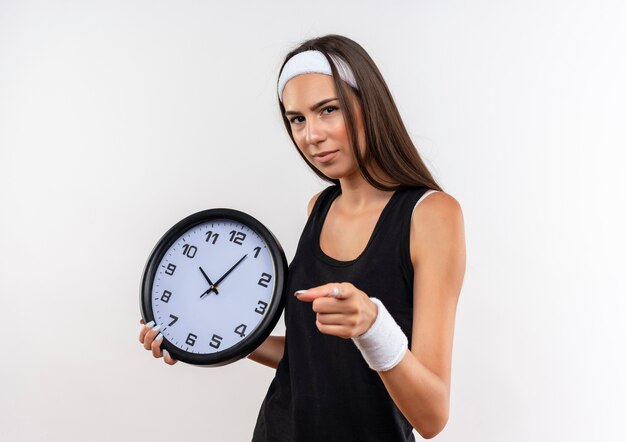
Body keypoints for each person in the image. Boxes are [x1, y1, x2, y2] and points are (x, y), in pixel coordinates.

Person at [139, 34, 466, 441]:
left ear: (370, 105)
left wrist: (373, 327)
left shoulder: (430, 214)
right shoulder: (319, 207)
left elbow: (432, 416)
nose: (311, 135)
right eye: (297, 119)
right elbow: (308, 360)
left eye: (327, 110)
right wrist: (206, 336)